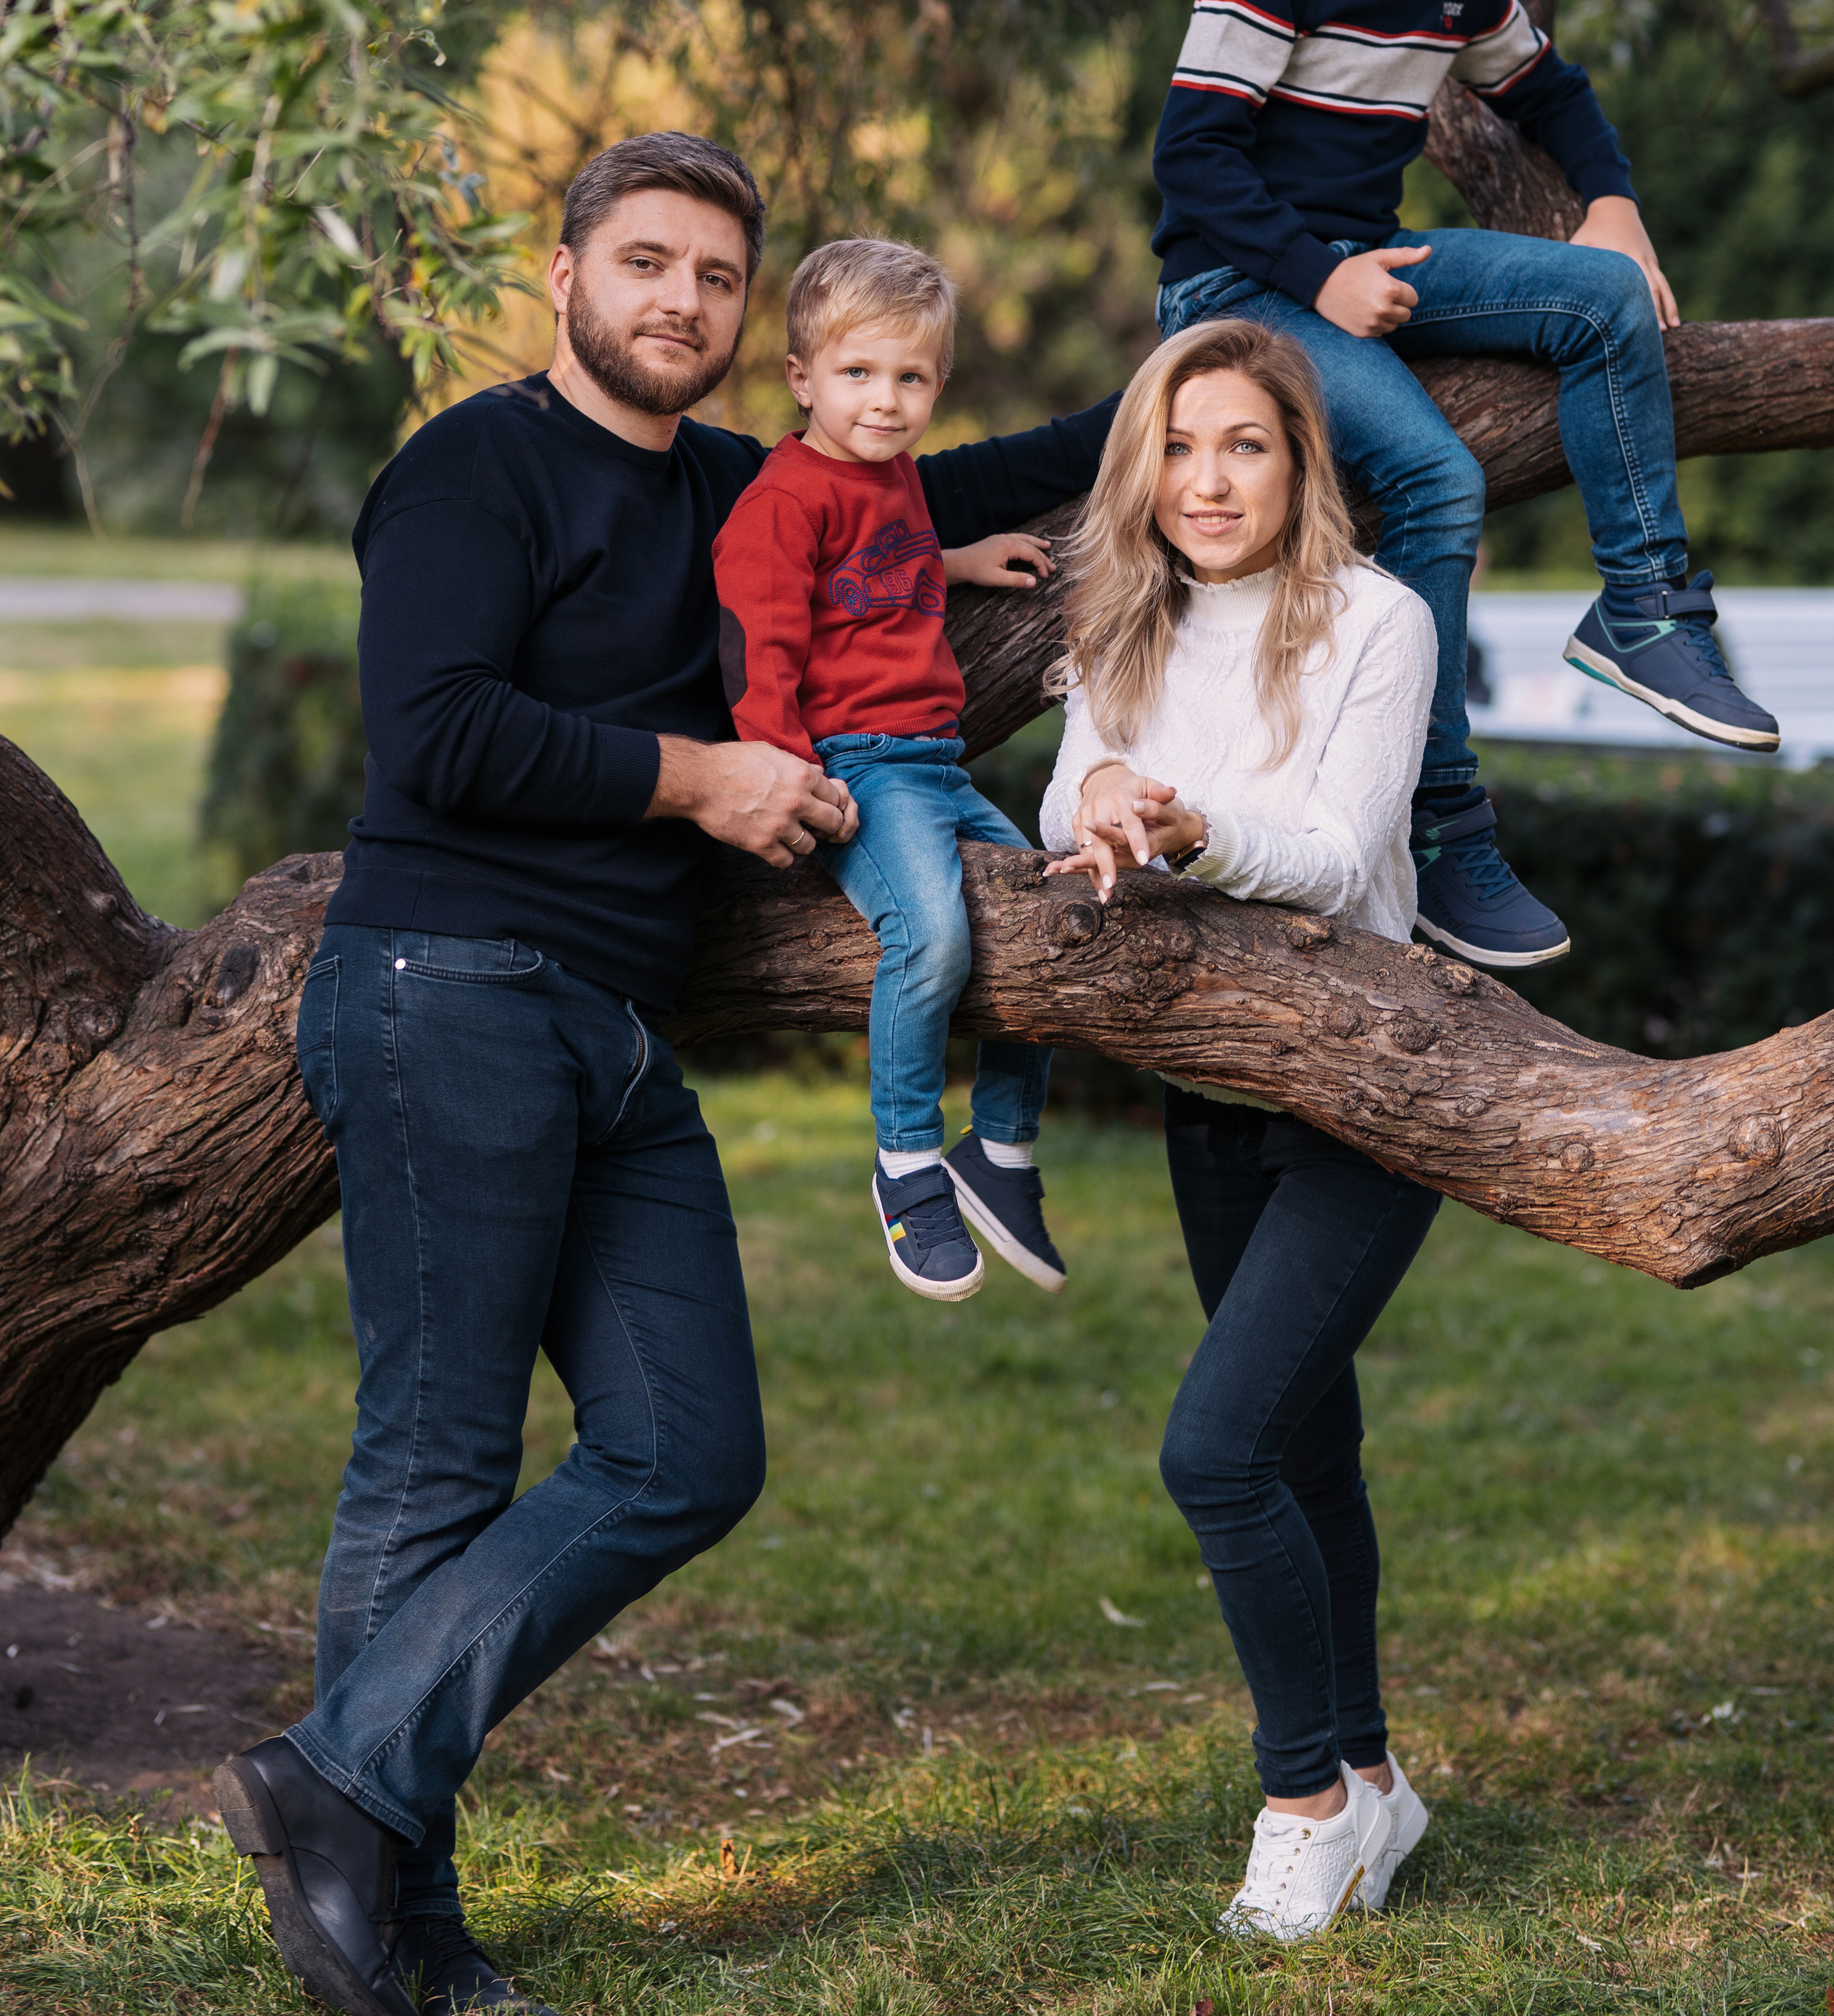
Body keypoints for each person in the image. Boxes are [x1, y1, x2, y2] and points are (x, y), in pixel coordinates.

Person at [213, 133, 1116, 2016]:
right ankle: (394, 1917)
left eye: (714, 274)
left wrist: (1219, 354)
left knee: (686, 1448)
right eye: (645, 261)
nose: (680, 300)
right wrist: (702, 777)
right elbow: (438, 730)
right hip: (449, 984)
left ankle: (336, 1787)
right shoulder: (470, 470)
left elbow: (949, 474)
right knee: (439, 1458)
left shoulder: (733, 478)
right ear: (565, 277)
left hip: (620, 1028)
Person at [1149, 0, 1778, 975]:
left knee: (1603, 297)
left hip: (1361, 264)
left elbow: (1553, 92)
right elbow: (1193, 159)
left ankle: (1646, 611)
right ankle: (1439, 820)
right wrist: (1319, 277)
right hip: (1235, 289)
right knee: (1438, 474)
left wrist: (1613, 205)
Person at [1039, 316, 1440, 1945]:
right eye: (1180, 447)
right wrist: (1101, 797)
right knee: (1302, 1448)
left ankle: (1305, 1807)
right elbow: (1071, 792)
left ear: (1298, 461)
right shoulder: (1120, 619)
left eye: (1244, 446)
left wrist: (1190, 825)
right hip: (1207, 1091)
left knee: (1215, 1453)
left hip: (1365, 1092)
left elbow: (1339, 855)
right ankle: (1376, 1779)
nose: (1208, 481)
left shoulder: (1376, 620)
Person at [713, 237, 1065, 1303]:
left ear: (939, 384)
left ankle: (998, 1151)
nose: (885, 400)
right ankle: (907, 1161)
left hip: (938, 762)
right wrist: (786, 782)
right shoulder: (783, 502)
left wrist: (958, 561)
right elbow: (760, 649)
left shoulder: (894, 475)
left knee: (1054, 917)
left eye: (911, 378)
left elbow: (877, 574)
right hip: (861, 772)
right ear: (802, 377)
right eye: (858, 373)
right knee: (933, 938)